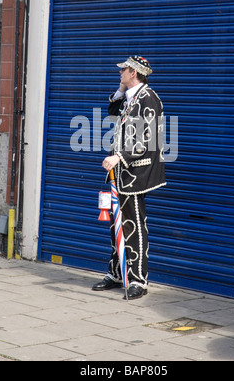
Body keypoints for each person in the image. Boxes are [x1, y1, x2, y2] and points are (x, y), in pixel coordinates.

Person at [92, 56, 166, 300]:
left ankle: (138, 280)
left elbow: (147, 139)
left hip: (136, 172)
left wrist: (118, 157)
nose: (120, 73)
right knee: (117, 226)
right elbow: (112, 113)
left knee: (134, 226)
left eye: (123, 70)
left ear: (133, 72)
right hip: (121, 173)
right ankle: (117, 273)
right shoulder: (131, 96)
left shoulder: (148, 98)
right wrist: (121, 90)